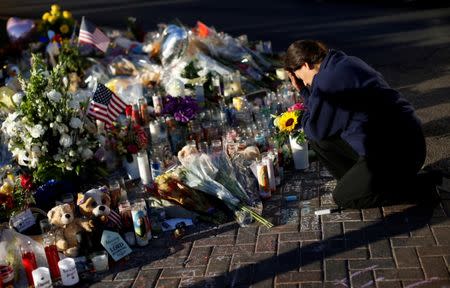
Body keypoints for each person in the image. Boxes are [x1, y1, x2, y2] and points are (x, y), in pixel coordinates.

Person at [284, 39, 441, 209]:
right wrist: (307, 93)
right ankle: (362, 184)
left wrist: (304, 93)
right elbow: (321, 124)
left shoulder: (328, 81)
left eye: (301, 78)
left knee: (344, 198)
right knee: (322, 142)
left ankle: (421, 186)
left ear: (306, 65)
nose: (305, 83)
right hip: (403, 142)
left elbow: (314, 129)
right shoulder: (343, 62)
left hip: (397, 154)